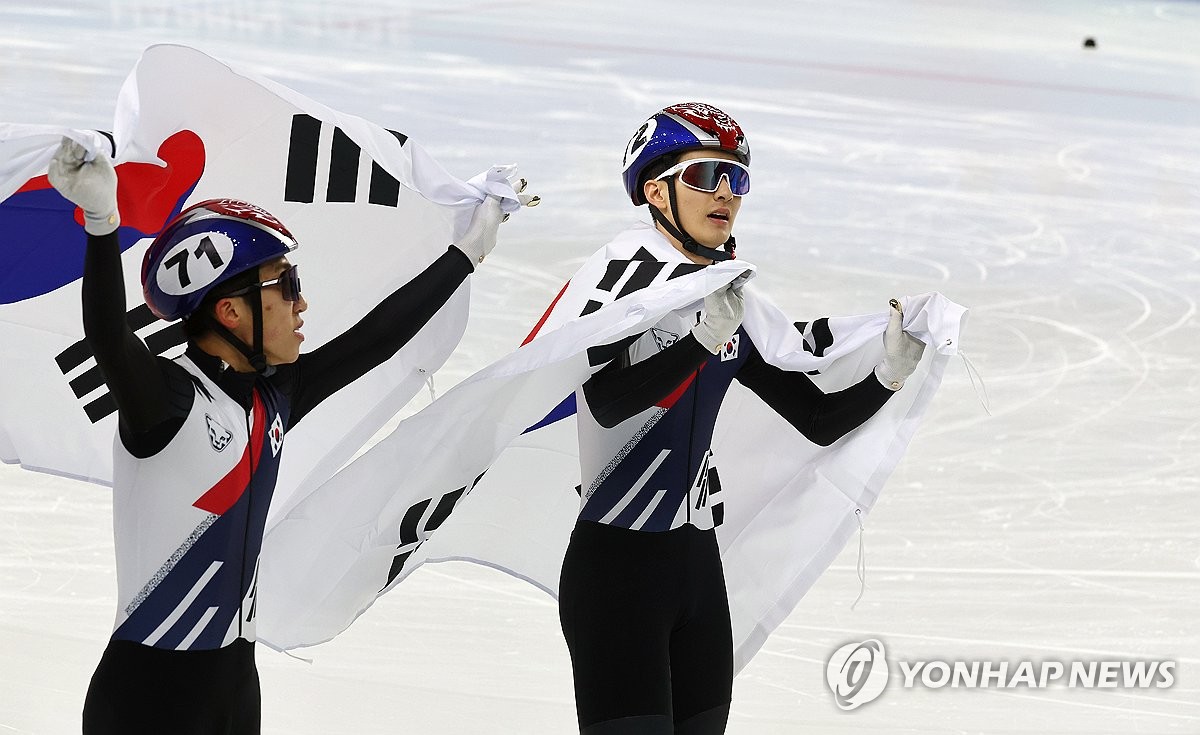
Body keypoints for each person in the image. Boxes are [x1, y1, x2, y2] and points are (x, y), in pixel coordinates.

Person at [46, 137, 533, 733]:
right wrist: (101, 223)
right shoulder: (168, 400)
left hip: (234, 684)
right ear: (230, 311)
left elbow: (376, 338)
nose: (301, 303)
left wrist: (466, 253)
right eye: (285, 284)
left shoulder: (272, 396)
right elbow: (108, 340)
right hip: (150, 691)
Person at [556, 103, 925, 734]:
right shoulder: (619, 285)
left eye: (737, 178)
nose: (725, 192)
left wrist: (888, 374)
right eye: (704, 176)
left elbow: (815, 416)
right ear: (656, 191)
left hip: (697, 569)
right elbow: (604, 400)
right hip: (618, 572)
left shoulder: (728, 300)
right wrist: (696, 346)